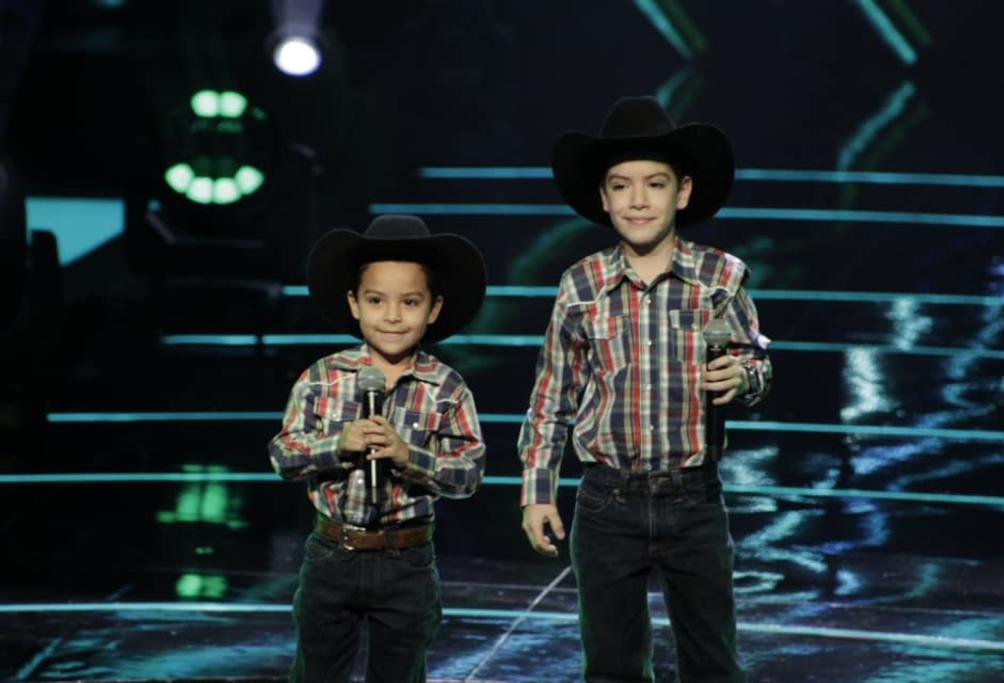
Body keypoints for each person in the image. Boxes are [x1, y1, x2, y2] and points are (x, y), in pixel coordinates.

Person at [517, 96, 772, 682]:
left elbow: (757, 364)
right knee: (612, 664)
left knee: (712, 662)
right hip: (607, 501)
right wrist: (537, 491)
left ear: (682, 192)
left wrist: (745, 376)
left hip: (693, 496)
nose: (638, 200)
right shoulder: (580, 285)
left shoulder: (721, 277)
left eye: (655, 184)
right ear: (603, 197)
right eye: (621, 186)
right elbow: (552, 396)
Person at [269, 214, 487, 682]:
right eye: (376, 300)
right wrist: (336, 445)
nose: (392, 316)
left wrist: (410, 457)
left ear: (433, 308)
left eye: (409, 302)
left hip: (407, 560)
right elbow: (284, 455)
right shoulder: (322, 378)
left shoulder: (446, 388)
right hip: (333, 553)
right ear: (354, 303)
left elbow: (468, 473)